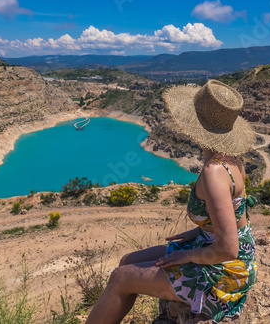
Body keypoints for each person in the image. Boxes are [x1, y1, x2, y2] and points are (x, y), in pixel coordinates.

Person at [85, 79, 258, 324]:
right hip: (224, 249)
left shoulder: (214, 172)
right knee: (127, 261)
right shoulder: (233, 160)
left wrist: (189, 256)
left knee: (121, 277)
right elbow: (234, 213)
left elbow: (228, 250)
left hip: (226, 270)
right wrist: (202, 229)